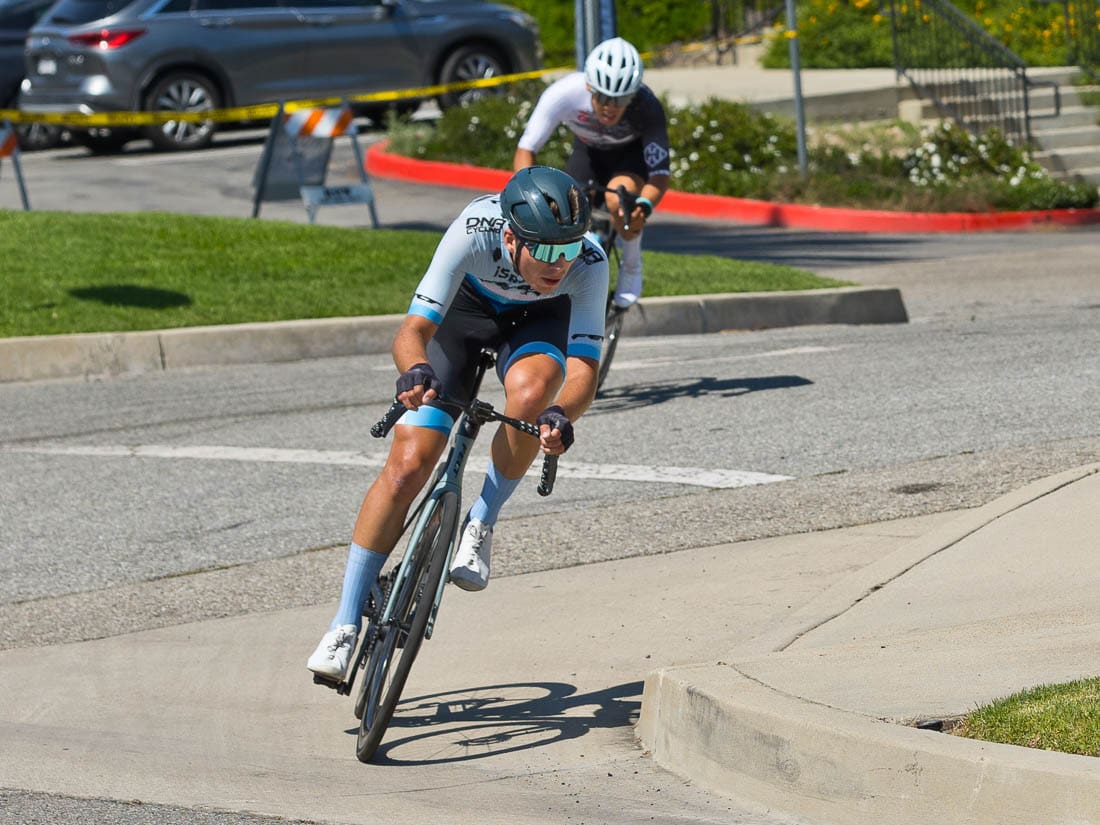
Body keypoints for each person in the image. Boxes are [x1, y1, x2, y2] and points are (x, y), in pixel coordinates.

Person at [307, 166, 609, 681]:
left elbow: (583, 367)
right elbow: (414, 330)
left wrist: (563, 414)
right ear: (511, 236)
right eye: (548, 251)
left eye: (569, 249)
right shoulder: (474, 229)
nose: (561, 263)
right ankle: (342, 624)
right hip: (465, 315)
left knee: (533, 398)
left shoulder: (588, 261)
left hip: (540, 323)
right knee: (407, 466)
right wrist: (416, 369)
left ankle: (480, 521)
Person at [513, 36, 670, 309]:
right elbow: (526, 149)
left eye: (620, 99)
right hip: (587, 154)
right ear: (588, 87)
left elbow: (659, 175)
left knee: (618, 203)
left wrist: (642, 207)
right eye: (603, 97)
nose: (610, 106)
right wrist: (530, 195)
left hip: (628, 158)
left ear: (632, 94)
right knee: (568, 211)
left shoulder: (647, 107)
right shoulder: (564, 93)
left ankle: (631, 265)